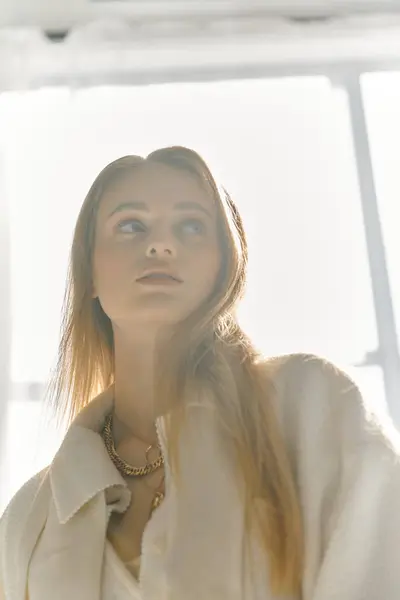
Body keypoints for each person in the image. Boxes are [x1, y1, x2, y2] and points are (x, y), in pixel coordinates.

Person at [0, 146, 399, 600]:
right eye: (130, 225)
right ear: (89, 271)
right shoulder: (26, 523)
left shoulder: (313, 408)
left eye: (191, 225)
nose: (161, 245)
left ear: (225, 265)